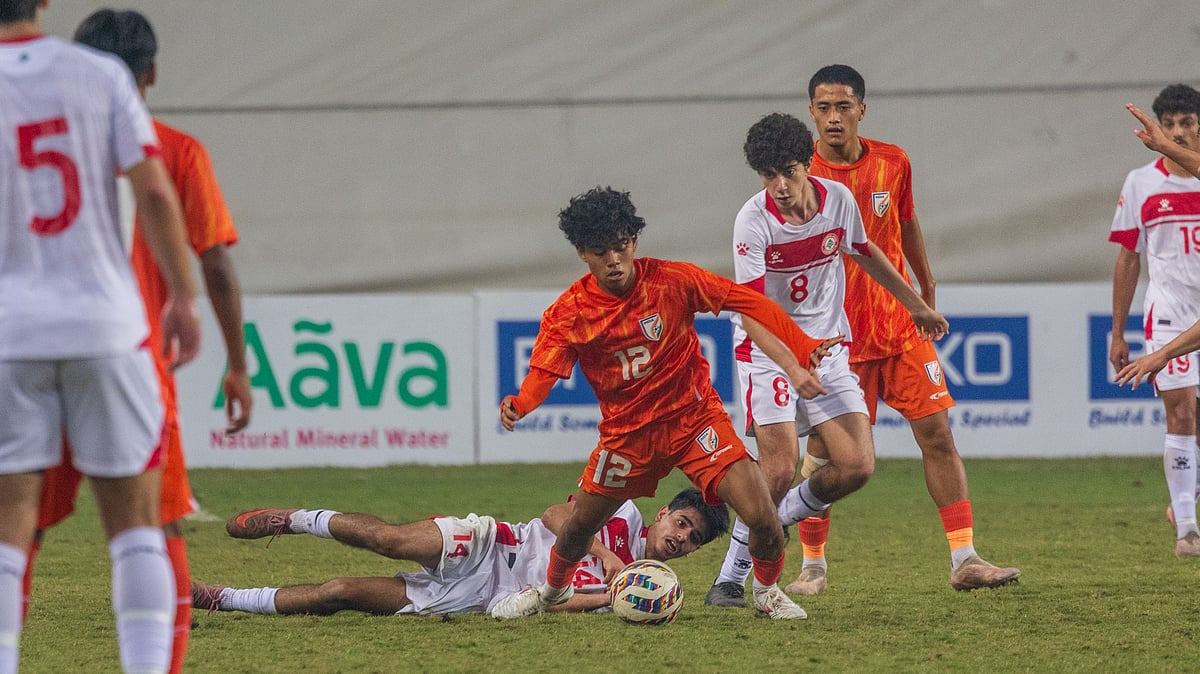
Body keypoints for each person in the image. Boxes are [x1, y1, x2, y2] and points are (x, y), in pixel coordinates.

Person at [18, 9, 253, 673]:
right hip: (128, 359)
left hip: (28, 348)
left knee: (15, 526)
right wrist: (237, 363)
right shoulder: (173, 150)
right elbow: (214, 262)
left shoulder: (26, 130)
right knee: (153, 526)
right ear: (150, 72)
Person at [492, 186, 842, 620]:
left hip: (695, 422)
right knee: (580, 525)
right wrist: (522, 403)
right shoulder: (569, 313)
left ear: (634, 242)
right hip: (627, 437)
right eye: (602, 252)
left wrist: (801, 343)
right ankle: (550, 593)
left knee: (763, 516)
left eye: (621, 248)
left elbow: (746, 300)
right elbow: (544, 373)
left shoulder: (672, 281)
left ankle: (766, 593)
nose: (615, 260)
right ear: (583, 252)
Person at [754, 65, 1019, 597]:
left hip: (899, 329)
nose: (833, 116)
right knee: (829, 458)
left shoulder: (892, 161)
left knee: (938, 434)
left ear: (861, 110)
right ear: (811, 112)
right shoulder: (795, 172)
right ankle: (812, 565)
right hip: (836, 341)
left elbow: (906, 221)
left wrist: (925, 286)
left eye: (843, 106)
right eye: (823, 107)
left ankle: (965, 558)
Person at [705, 110, 953, 607]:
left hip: (828, 349)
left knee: (857, 466)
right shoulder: (752, 221)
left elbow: (866, 252)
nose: (778, 185)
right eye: (767, 175)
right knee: (777, 471)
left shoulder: (837, 199)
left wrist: (916, 305)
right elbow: (751, 312)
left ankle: (770, 526)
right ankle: (733, 579)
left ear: (806, 165)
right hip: (768, 353)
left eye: (788, 172)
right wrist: (792, 364)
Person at [192, 488, 728, 617]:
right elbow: (554, 517)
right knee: (389, 539)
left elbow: (556, 603)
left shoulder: (651, 592)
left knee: (340, 594)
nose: (682, 538)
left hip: (485, 594)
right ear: (663, 514)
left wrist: (610, 598)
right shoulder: (626, 512)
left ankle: (223, 597)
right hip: (497, 543)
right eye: (682, 523)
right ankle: (293, 520)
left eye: (693, 539)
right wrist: (609, 559)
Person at [1109, 84, 1200, 558]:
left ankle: (1186, 497)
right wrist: (1118, 329)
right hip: (1168, 312)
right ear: (1159, 127)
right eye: (1170, 124)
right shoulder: (1141, 182)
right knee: (1181, 413)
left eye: (1188, 123)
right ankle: (1187, 526)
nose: (1179, 132)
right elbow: (1129, 259)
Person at [1128, 102, 1200, 181]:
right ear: (1160, 129)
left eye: (1187, 123)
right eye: (1169, 124)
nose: (1177, 133)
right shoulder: (1139, 179)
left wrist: (1164, 146)